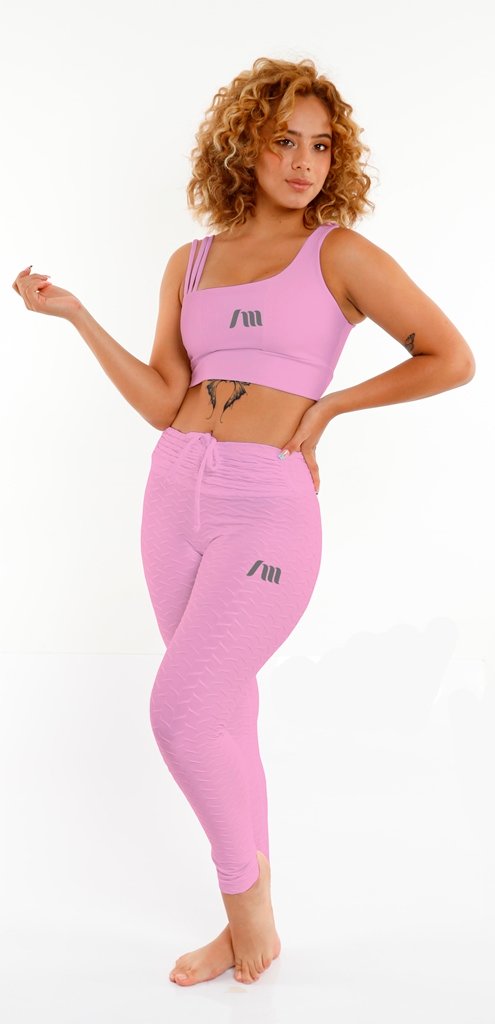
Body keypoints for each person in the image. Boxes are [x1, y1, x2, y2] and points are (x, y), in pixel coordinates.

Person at [12, 55, 475, 988]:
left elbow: (449, 356)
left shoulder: (338, 255)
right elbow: (163, 399)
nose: (303, 162)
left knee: (179, 713)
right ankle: (242, 922)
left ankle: (247, 911)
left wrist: (329, 407)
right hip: (173, 492)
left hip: (266, 504)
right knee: (222, 710)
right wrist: (76, 317)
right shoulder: (189, 264)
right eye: (283, 141)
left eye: (321, 146)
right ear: (243, 147)